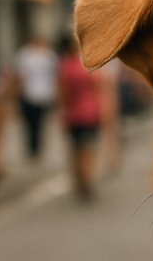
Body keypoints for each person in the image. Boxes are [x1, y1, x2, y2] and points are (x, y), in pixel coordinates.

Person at [56, 35, 104, 200]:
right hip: (90, 113)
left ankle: (78, 179)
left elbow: (62, 95)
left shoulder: (64, 66)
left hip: (73, 114)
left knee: (75, 148)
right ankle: (87, 178)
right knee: (88, 148)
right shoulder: (89, 64)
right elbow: (99, 87)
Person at [13, 35, 58, 160]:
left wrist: (55, 94)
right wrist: (18, 93)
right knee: (30, 123)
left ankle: (38, 146)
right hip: (28, 94)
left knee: (40, 123)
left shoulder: (49, 55)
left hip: (44, 95)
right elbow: (20, 76)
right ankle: (32, 147)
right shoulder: (25, 54)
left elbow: (55, 75)